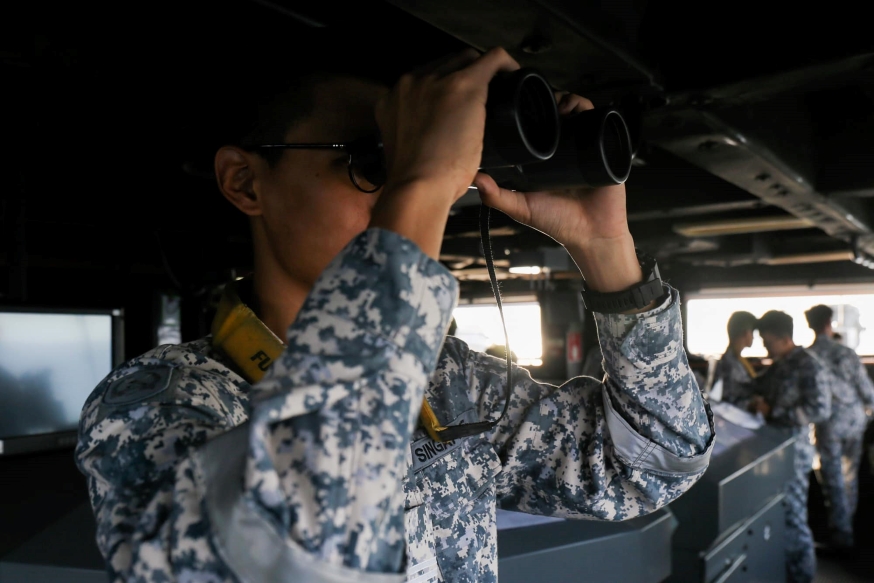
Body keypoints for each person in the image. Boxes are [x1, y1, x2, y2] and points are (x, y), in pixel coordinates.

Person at [75, 39, 714, 583]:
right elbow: (278, 551)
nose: (404, 189)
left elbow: (650, 466)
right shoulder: (154, 405)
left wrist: (607, 256)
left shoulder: (450, 383)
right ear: (245, 181)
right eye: (371, 161)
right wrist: (421, 185)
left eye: (406, 162)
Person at [749, 310, 831, 583]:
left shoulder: (808, 364)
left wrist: (773, 410)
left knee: (794, 517)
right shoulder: (780, 364)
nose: (765, 347)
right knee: (780, 514)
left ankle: (802, 575)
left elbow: (820, 409)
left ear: (785, 339)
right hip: (774, 449)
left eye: (768, 341)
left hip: (794, 452)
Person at [805, 304, 874, 552]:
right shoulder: (846, 353)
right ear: (829, 323)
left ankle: (841, 534)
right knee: (850, 476)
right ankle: (850, 530)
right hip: (854, 421)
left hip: (828, 423)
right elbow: (866, 390)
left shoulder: (808, 356)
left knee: (833, 479)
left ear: (810, 325)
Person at [714, 311, 758, 406]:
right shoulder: (730, 364)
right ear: (746, 333)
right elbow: (732, 398)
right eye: (752, 333)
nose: (753, 337)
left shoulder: (738, 360)